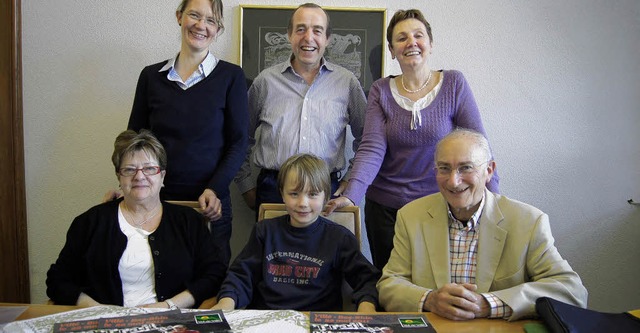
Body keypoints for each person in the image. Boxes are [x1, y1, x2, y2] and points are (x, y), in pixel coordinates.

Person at [326, 9, 499, 271]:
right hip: (385, 208)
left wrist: (494, 200)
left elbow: (479, 146)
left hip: (440, 205)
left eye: (418, 35)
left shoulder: (454, 83)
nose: (411, 43)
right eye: (401, 38)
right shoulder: (380, 90)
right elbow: (372, 147)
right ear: (392, 50)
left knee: (437, 282)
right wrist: (352, 195)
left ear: (430, 44)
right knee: (391, 286)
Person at [377, 129, 588, 320]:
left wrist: (489, 305)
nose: (453, 181)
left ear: (489, 170)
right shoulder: (411, 216)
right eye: (444, 168)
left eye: (465, 168)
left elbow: (571, 291)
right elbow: (388, 285)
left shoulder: (528, 221)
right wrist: (430, 299)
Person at [126, 0, 248, 268]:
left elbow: (239, 143)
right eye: (194, 15)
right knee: (157, 276)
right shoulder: (151, 77)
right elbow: (133, 140)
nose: (201, 25)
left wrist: (215, 189)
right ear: (179, 16)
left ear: (218, 29)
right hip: (156, 200)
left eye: (211, 20)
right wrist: (127, 184)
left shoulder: (231, 77)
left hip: (210, 203)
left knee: (211, 283)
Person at [46, 130, 226, 308]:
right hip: (105, 324)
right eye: (129, 169)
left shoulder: (189, 221)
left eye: (149, 168)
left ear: (162, 176)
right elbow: (58, 280)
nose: (139, 176)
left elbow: (214, 275)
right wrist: (96, 310)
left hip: (171, 322)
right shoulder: (90, 222)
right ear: (119, 177)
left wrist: (169, 306)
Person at [234, 3, 366, 213]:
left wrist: (351, 182)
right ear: (289, 35)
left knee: (322, 247)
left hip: (325, 192)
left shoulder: (347, 83)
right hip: (272, 190)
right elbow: (240, 138)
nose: (308, 37)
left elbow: (366, 141)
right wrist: (246, 186)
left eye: (317, 30)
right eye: (301, 29)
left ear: (328, 39)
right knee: (273, 247)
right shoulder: (265, 82)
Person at [214, 154, 380, 311]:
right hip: (268, 319)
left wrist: (367, 308)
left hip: (317, 321)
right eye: (294, 194)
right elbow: (241, 276)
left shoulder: (339, 238)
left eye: (313, 194)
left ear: (326, 196)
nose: (303, 203)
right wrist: (226, 303)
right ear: (282, 194)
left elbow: (367, 280)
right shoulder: (264, 231)